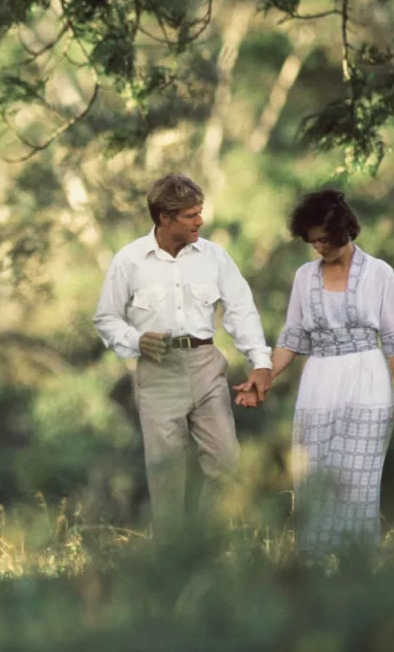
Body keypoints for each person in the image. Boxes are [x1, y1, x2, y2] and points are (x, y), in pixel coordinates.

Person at [233, 188, 394, 555]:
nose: (319, 247)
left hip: (367, 382)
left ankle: (357, 567)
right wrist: (264, 375)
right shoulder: (305, 277)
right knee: (314, 479)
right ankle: (314, 570)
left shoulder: (380, 274)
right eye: (312, 241)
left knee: (358, 483)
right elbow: (293, 336)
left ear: (345, 230)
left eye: (325, 239)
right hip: (319, 382)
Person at [94, 173, 273, 536]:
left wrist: (261, 361)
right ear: (164, 218)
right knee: (166, 474)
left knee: (226, 461)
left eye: (199, 212)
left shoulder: (214, 257)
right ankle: (174, 556)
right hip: (158, 371)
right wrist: (135, 340)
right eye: (190, 215)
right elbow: (106, 318)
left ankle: (208, 543)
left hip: (207, 365)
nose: (200, 221)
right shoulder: (129, 260)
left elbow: (241, 310)